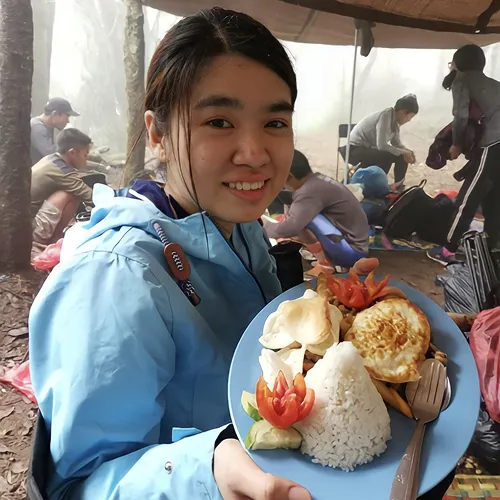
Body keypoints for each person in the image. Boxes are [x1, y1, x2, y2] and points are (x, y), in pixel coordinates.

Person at [28, 8, 453, 500]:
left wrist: (348, 317)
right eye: (219, 121)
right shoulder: (115, 277)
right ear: (159, 134)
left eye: (275, 121)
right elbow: (79, 486)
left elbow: (266, 345)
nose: (254, 151)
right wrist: (206, 471)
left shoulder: (237, 225)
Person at [428, 44, 500, 265]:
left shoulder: (462, 79)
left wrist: (457, 144)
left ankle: (448, 250)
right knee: (494, 197)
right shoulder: (492, 84)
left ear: (458, 63)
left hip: (493, 144)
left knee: (468, 198)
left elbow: (460, 117)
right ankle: (492, 247)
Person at [263, 149, 369, 269]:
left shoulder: (309, 192)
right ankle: (325, 261)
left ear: (289, 176)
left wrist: (262, 226)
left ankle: (326, 265)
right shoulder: (317, 181)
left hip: (352, 253)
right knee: (299, 215)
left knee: (300, 220)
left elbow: (289, 228)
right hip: (357, 244)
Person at [31, 128, 93, 246]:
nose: (87, 158)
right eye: (85, 154)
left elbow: (86, 165)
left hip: (17, 223)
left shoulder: (50, 160)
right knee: (71, 194)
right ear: (72, 153)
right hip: (29, 229)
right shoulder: (63, 172)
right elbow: (91, 196)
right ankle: (49, 242)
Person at [348, 94, 419, 189]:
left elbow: (396, 143)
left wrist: (408, 151)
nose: (409, 120)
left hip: (369, 149)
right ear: (403, 112)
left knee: (401, 155)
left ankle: (398, 185)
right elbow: (381, 145)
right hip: (355, 148)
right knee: (387, 156)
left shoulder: (395, 122)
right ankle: (377, 184)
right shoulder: (386, 116)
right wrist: (404, 152)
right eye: (410, 117)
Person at [30, 97, 80, 165]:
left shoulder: (51, 127)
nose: (68, 121)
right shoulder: (37, 128)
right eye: (67, 116)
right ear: (54, 114)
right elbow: (53, 156)